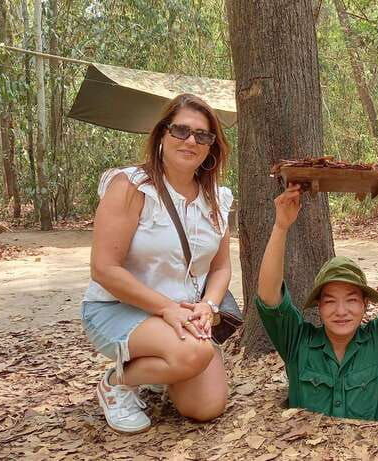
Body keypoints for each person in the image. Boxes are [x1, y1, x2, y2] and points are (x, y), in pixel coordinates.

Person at [81, 93, 233, 432]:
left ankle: (163, 367)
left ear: (212, 147)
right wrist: (166, 308)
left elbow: (221, 268)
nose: (191, 140)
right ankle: (117, 383)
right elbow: (104, 269)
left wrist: (208, 305)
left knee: (206, 407)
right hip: (118, 309)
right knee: (194, 354)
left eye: (202, 135)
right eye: (180, 130)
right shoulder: (131, 186)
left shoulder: (218, 199)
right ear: (161, 134)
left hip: (183, 315)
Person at [255, 183, 378, 422]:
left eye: (351, 300)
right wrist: (280, 226)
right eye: (330, 301)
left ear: (365, 305)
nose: (341, 311)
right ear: (319, 305)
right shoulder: (297, 342)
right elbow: (268, 297)